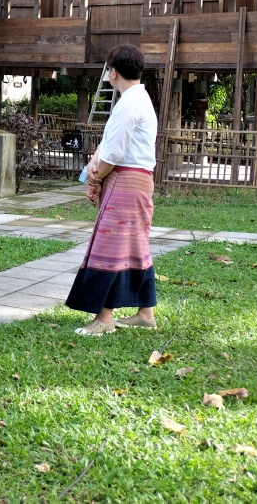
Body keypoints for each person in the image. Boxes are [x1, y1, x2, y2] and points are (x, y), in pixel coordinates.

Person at [66, 43, 159, 336]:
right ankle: (146, 314)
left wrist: (95, 179)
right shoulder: (137, 98)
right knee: (136, 246)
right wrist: (94, 168)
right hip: (136, 181)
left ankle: (104, 319)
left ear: (113, 72)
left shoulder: (130, 103)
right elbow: (109, 144)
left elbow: (114, 152)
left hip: (126, 181)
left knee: (111, 247)